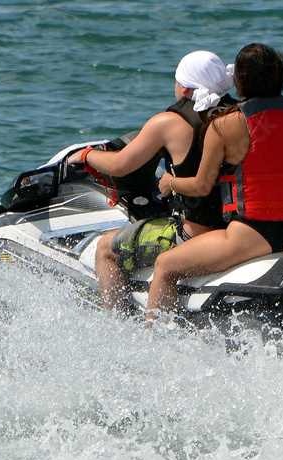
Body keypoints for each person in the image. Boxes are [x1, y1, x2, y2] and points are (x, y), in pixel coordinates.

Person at [148, 43, 283, 316]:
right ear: (280, 78)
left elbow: (202, 186)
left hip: (251, 234)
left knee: (165, 267)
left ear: (239, 81)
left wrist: (170, 183)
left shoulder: (224, 125)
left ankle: (153, 342)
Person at [66, 51, 237, 310]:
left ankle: (118, 326)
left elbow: (120, 165)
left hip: (193, 235)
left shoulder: (169, 122)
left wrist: (87, 156)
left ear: (185, 86)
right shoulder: (239, 114)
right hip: (239, 230)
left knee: (106, 250)